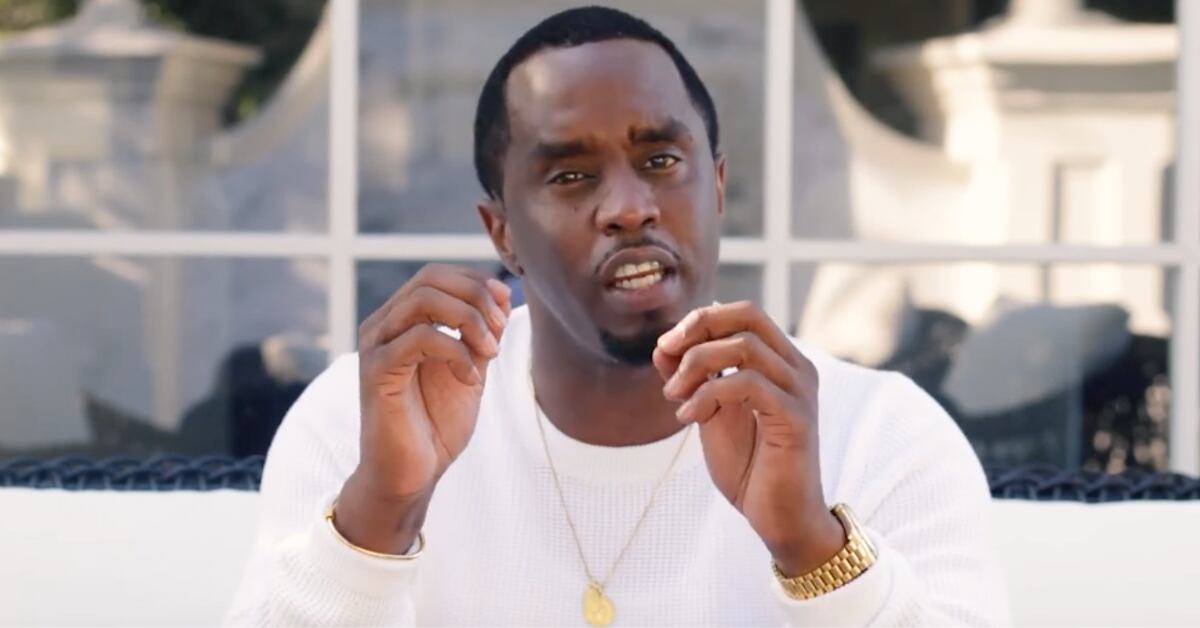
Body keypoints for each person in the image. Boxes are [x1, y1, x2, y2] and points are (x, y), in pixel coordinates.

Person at [227, 6, 1008, 626]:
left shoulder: (880, 436)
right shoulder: (365, 421)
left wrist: (812, 545)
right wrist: (382, 510)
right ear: (502, 233)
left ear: (717, 188)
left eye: (661, 161)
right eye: (570, 175)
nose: (629, 208)